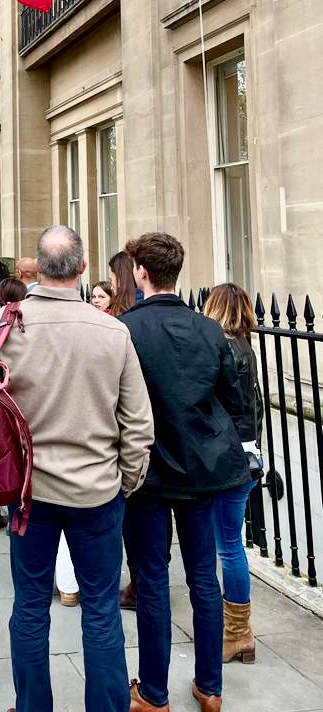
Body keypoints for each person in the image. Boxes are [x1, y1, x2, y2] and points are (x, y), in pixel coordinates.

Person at [0, 226, 154, 712]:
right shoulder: (113, 331)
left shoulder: (2, 327)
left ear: (37, 267)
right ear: (82, 269)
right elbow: (138, 425)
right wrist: (126, 481)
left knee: (31, 607)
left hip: (28, 491)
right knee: (100, 610)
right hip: (96, 491)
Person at [121, 233, 249, 712]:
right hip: (202, 472)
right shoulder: (210, 330)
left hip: (149, 475)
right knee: (202, 578)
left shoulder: (126, 329)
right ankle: (210, 687)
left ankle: (154, 694)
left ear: (140, 272)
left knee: (153, 580)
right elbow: (233, 405)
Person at [203, 283, 264, 666]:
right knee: (229, 542)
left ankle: (237, 633)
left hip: (227, 456)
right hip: (247, 453)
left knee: (226, 545)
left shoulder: (223, 349)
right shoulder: (246, 347)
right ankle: (237, 631)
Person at [109, 250, 139, 316]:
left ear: (120, 278)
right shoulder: (146, 302)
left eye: (111, 280)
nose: (111, 287)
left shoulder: (125, 311)